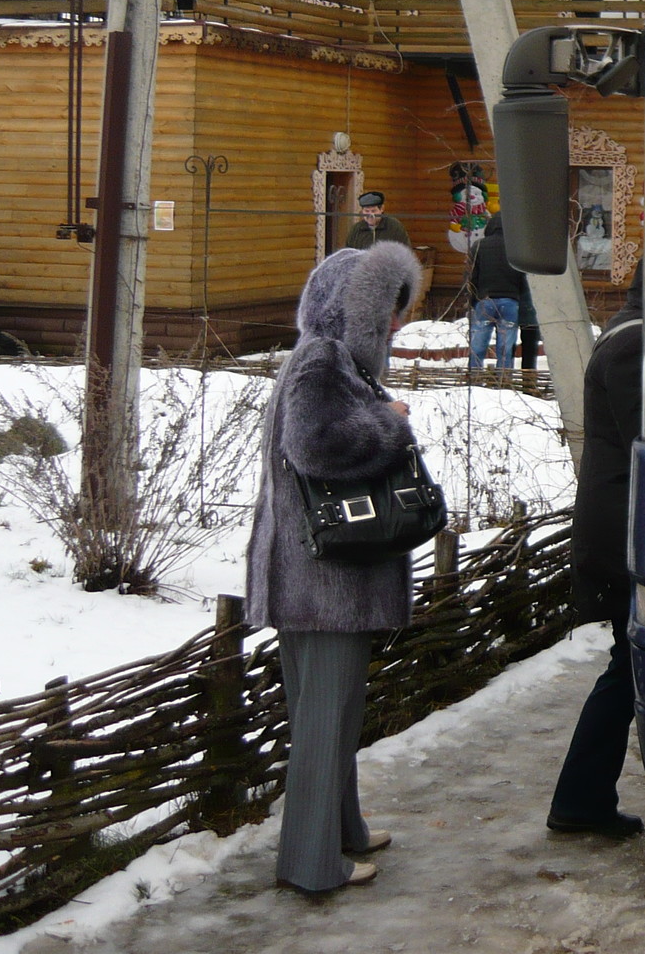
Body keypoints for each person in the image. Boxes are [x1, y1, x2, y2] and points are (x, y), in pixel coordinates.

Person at [246, 241, 425, 894]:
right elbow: (318, 446)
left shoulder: (334, 362)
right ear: (361, 311)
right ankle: (311, 863)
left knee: (338, 714)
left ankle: (342, 830)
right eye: (390, 313)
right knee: (324, 721)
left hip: (324, 578)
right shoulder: (321, 363)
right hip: (320, 583)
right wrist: (390, 423)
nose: (397, 327)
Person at [547, 280, 645, 839]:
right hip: (623, 534)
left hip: (625, 528)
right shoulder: (634, 345)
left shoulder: (637, 332)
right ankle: (580, 799)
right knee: (630, 664)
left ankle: (581, 798)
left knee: (630, 664)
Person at [466, 212, 529, 372]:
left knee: (478, 343)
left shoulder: (479, 246)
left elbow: (472, 276)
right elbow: (524, 277)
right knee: (505, 348)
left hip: (485, 300)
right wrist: (519, 297)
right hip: (510, 301)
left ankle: (474, 375)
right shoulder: (517, 248)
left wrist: (473, 299)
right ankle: (504, 379)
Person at [344, 191, 410, 250]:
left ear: (382, 209)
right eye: (366, 211)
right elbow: (349, 253)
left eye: (373, 211)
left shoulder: (394, 227)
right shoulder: (356, 230)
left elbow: (405, 252)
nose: (370, 215)